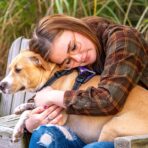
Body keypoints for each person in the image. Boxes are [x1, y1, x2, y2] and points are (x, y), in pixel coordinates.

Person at [26, 14, 148, 148]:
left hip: (137, 133)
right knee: (43, 135)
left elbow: (108, 100)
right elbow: (43, 95)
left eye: (73, 47)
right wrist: (31, 122)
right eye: (67, 61)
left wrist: (51, 96)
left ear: (74, 26)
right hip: (97, 132)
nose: (79, 58)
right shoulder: (81, 60)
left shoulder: (123, 39)